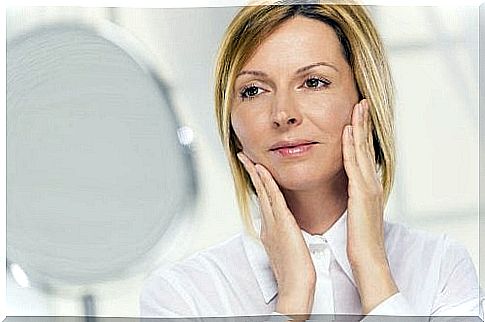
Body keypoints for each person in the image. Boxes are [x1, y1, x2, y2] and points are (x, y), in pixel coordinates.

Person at [140, 1, 482, 319]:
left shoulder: (440, 267)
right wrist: (291, 299)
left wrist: (372, 268)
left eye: (314, 82)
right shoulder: (182, 295)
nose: (283, 114)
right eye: (254, 90)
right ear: (231, 121)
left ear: (365, 97)